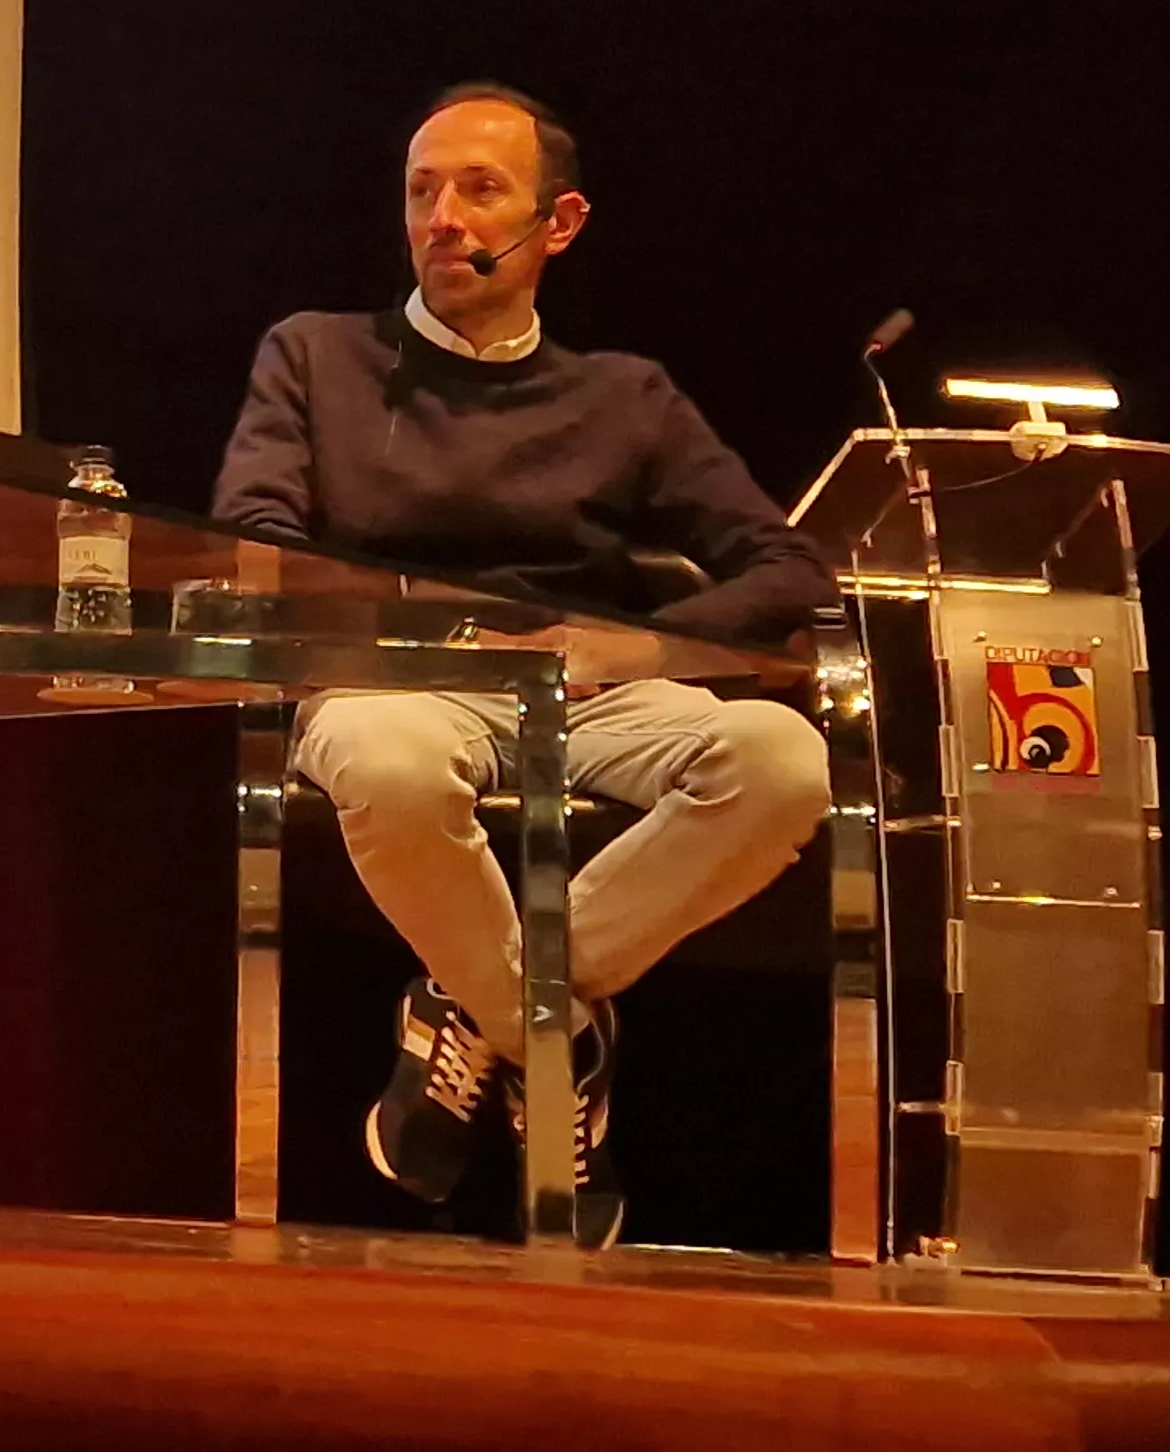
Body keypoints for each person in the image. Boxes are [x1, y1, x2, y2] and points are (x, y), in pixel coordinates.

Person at [211, 83, 836, 1246]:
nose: (442, 215)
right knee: (384, 760)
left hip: (590, 691)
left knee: (783, 759)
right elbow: (257, 539)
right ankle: (554, 1040)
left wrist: (640, 645)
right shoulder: (316, 355)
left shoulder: (625, 395)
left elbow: (790, 566)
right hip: (396, 682)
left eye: (478, 188)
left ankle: (475, 1004)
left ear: (559, 221)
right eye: (420, 190)